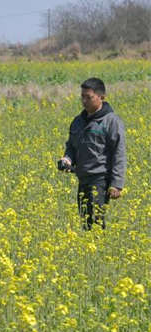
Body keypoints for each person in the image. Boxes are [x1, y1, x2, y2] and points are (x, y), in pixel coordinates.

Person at [57, 77, 126, 230]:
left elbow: (119, 153)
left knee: (96, 222)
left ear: (101, 97)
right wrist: (67, 159)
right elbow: (71, 147)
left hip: (100, 179)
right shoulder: (78, 121)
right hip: (82, 178)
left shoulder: (111, 121)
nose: (84, 101)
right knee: (85, 223)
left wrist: (117, 184)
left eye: (89, 97)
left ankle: (101, 249)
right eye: (82, 97)